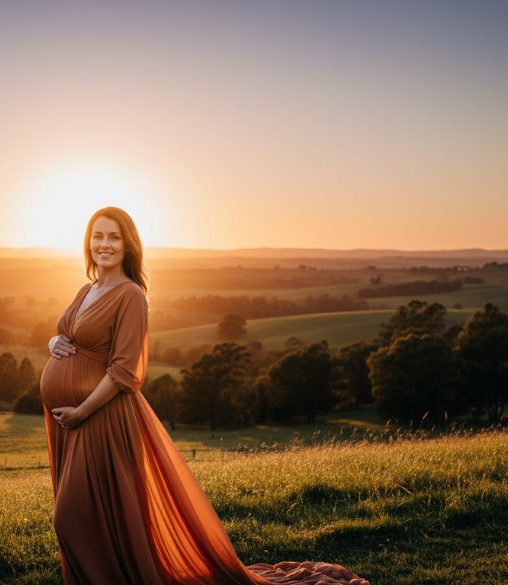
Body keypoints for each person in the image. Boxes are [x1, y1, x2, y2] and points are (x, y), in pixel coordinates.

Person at [39, 206, 368, 585]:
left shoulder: (130, 295)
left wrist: (82, 411)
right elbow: (69, 334)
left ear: (128, 245)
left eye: (114, 237)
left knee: (70, 517)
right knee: (91, 518)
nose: (104, 244)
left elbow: (125, 371)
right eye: (97, 236)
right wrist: (53, 341)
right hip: (70, 421)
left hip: (100, 418)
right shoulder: (88, 289)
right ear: (87, 242)